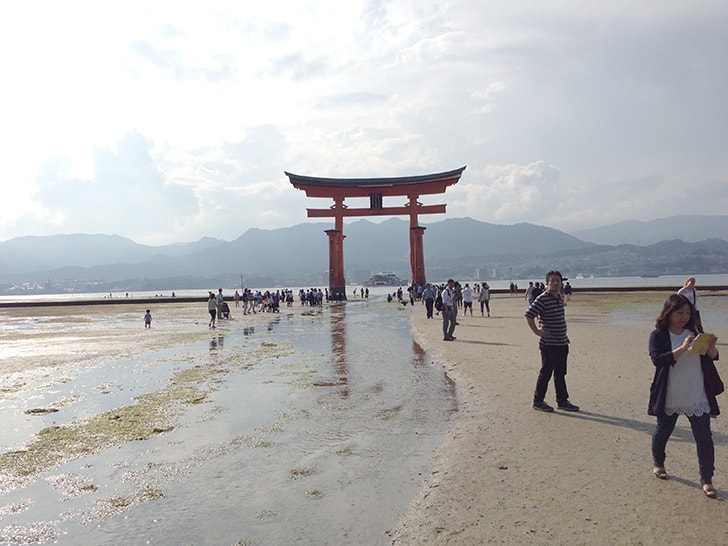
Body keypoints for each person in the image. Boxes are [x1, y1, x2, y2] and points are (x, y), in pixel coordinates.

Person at [648, 293, 721, 498]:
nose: (684, 317)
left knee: (704, 437)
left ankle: (707, 480)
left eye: (688, 313)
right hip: (670, 393)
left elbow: (712, 357)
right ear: (669, 313)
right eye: (679, 313)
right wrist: (682, 347)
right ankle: (658, 463)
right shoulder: (659, 335)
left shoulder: (696, 331)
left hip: (696, 392)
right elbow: (658, 360)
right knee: (663, 431)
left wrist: (712, 347)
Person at [525, 270, 579, 412]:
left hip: (562, 342)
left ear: (561, 283)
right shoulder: (543, 298)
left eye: (558, 280)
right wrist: (538, 331)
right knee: (546, 372)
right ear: (547, 283)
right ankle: (538, 401)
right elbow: (529, 315)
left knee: (560, 373)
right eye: (552, 281)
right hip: (549, 344)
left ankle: (562, 401)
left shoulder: (560, 297)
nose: (555, 283)